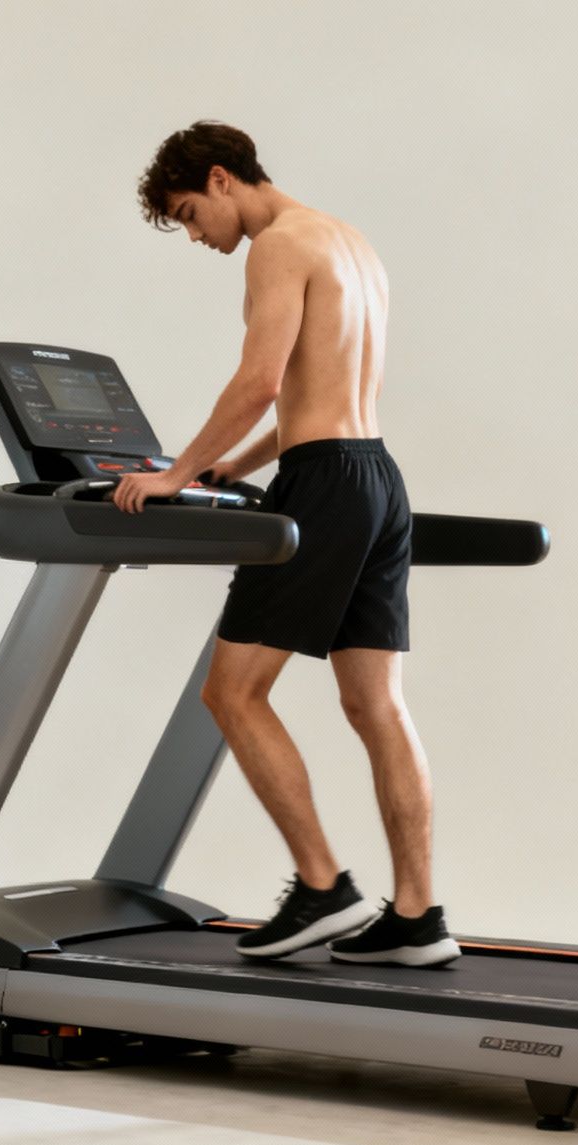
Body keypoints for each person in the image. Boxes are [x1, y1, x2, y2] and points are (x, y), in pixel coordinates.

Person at [122, 120, 456, 968]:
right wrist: (232, 464)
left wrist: (175, 475)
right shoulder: (352, 244)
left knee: (231, 693)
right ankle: (418, 918)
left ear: (223, 179)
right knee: (375, 705)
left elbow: (261, 380)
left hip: (329, 487)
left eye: (192, 214)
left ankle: (322, 889)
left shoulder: (276, 247)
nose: (199, 237)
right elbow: (320, 392)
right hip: (378, 476)